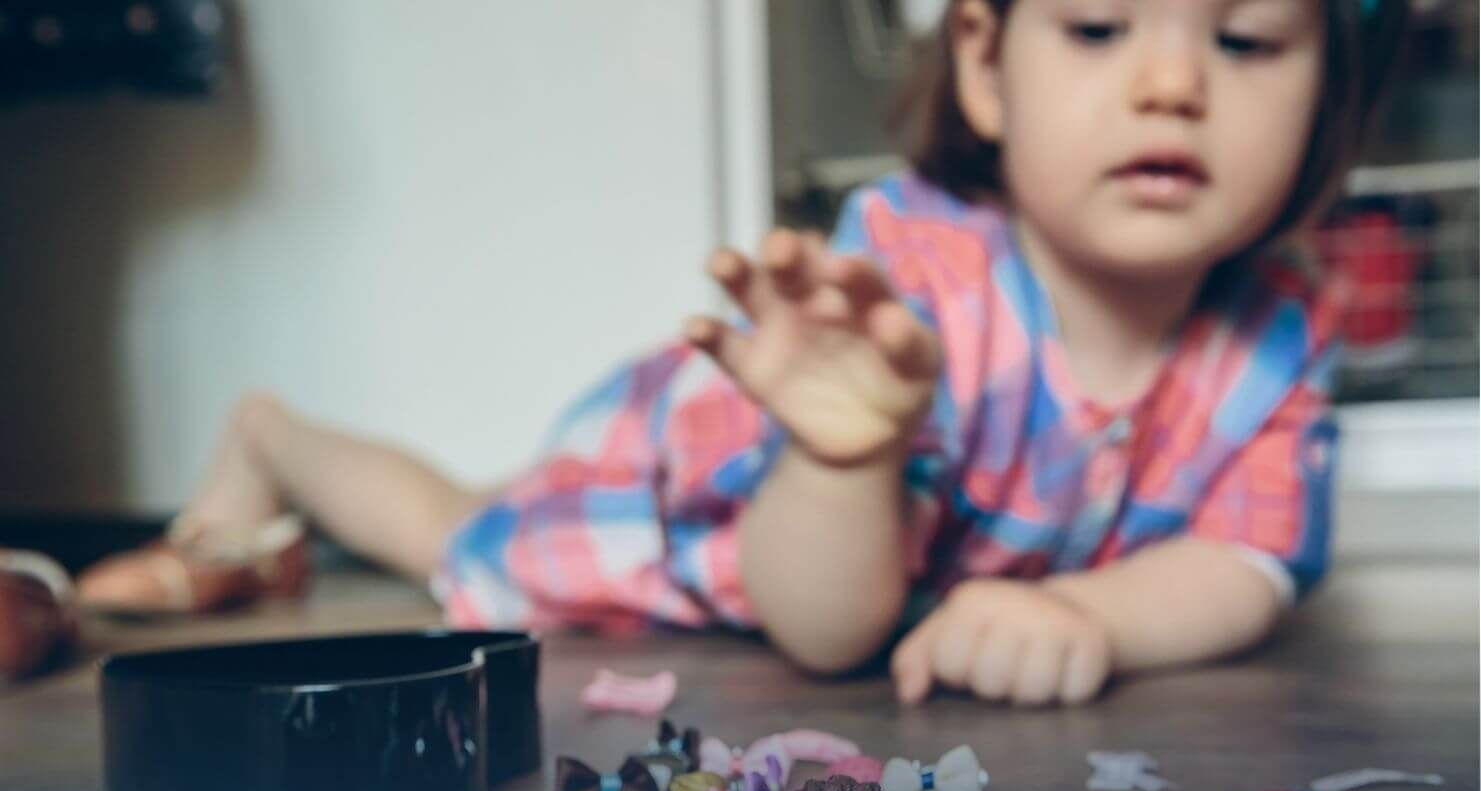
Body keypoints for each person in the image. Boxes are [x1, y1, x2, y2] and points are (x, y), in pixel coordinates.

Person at [78, 0, 1405, 707]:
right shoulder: (903, 278)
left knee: (458, 514)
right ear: (988, 66)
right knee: (456, 533)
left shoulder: (1271, 335)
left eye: (1243, 38)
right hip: (709, 510)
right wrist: (849, 453)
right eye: (1100, 29)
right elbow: (827, 629)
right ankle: (273, 437)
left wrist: (1087, 619)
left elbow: (1249, 560)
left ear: (1326, 85)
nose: (1169, 83)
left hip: (890, 568)